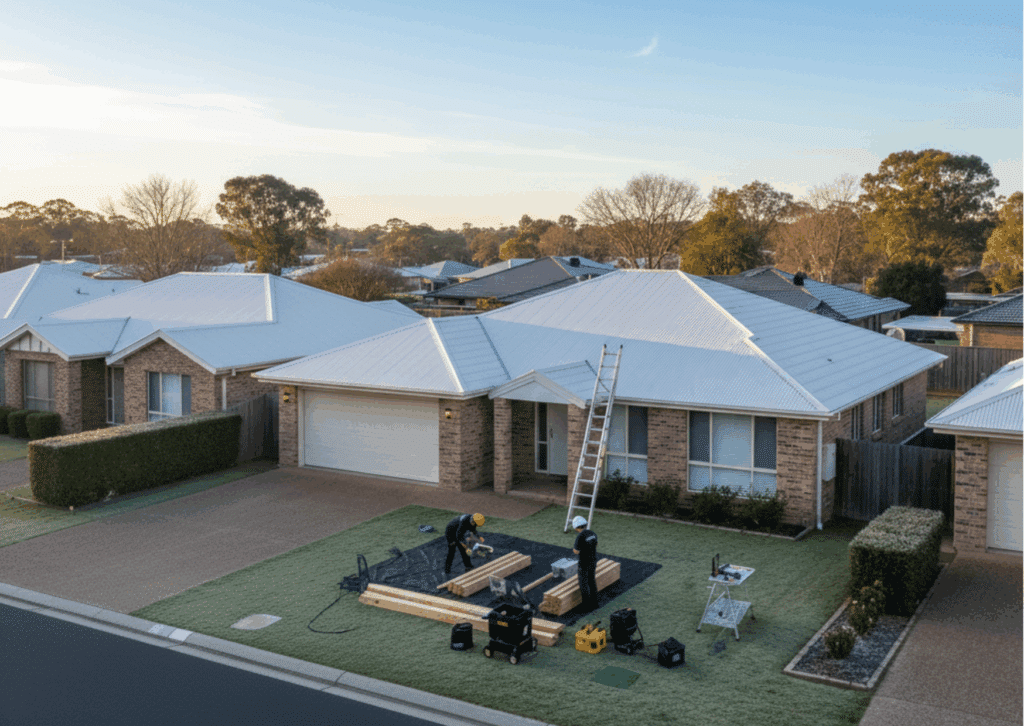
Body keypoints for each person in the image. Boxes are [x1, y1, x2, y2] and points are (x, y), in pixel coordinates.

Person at [572, 515, 599, 612]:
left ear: (576, 527)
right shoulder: (592, 533)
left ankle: (586, 606)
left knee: (583, 583)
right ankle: (595, 603)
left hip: (584, 562)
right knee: (592, 581)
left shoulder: (580, 536)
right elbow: (596, 544)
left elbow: (576, 551)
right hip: (593, 560)